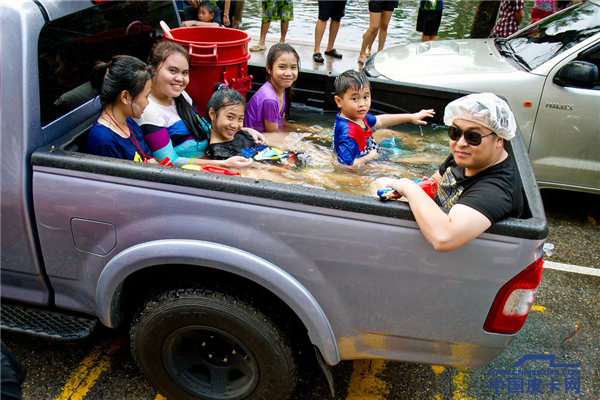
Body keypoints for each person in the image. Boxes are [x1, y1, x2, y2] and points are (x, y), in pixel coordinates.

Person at [375, 93, 524, 252]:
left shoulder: (496, 189)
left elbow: (444, 238)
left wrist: (408, 186)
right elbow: (435, 181)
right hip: (438, 223)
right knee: (381, 182)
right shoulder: (466, 157)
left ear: (499, 139)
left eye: (472, 136)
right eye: (455, 132)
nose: (460, 143)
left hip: (462, 261)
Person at [135, 40, 262, 168]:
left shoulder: (181, 95)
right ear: (152, 68)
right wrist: (222, 164)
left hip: (215, 154)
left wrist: (242, 130)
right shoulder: (148, 111)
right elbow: (169, 161)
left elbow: (205, 128)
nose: (180, 79)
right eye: (173, 71)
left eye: (184, 73)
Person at [333, 70, 434, 169]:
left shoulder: (356, 117)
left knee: (385, 133)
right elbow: (347, 165)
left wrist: (410, 117)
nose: (362, 104)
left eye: (366, 97)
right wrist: (369, 157)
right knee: (402, 168)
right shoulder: (347, 133)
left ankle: (422, 147)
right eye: (355, 99)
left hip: (374, 154)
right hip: (367, 165)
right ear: (339, 101)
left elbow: (380, 120)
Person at [206, 86, 302, 168]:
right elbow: (257, 168)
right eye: (230, 117)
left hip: (291, 159)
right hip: (286, 168)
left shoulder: (241, 133)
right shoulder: (219, 153)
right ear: (212, 114)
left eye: (240, 119)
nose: (235, 125)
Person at [87, 55, 158, 163]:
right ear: (125, 97)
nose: (148, 102)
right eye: (146, 96)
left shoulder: (128, 121)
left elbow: (146, 155)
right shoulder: (104, 141)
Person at [244, 43, 300, 133]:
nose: (289, 73)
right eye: (282, 67)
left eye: (293, 67)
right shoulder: (270, 99)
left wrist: (308, 131)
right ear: (269, 68)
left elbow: (282, 121)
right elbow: (274, 136)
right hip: (253, 143)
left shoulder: (282, 89)